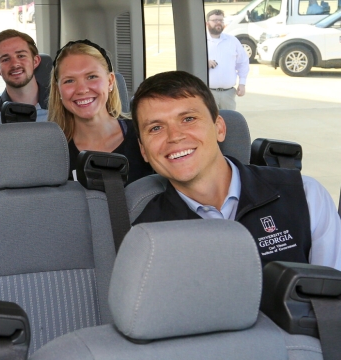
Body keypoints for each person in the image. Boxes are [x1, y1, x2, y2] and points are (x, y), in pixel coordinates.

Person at [130, 71, 341, 270]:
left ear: (219, 128)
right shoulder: (147, 236)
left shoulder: (305, 196)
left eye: (188, 119)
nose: (174, 136)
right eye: (155, 128)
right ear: (144, 151)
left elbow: (332, 298)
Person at [48, 39, 154, 184]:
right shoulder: (51, 153)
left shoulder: (144, 136)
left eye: (92, 77)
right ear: (58, 90)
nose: (82, 90)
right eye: (69, 81)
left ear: (110, 81)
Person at [0, 29, 48, 121]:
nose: (14, 64)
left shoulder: (62, 106)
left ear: (35, 61)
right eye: (5, 59)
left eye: (21, 56)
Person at [206, 9, 249, 111]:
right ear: (207, 23)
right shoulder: (201, 41)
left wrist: (242, 83)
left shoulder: (232, 41)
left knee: (228, 123)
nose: (218, 23)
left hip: (228, 94)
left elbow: (243, 62)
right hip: (208, 93)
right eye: (215, 20)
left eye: (221, 20)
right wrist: (204, 62)